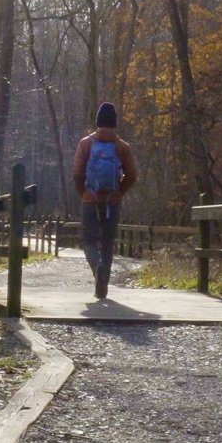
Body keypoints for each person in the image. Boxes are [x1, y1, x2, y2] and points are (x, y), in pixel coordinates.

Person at [72, 102, 137, 299]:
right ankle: (103, 287)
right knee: (107, 243)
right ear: (114, 122)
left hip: (90, 200)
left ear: (98, 121)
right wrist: (119, 193)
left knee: (89, 241)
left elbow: (76, 173)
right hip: (112, 201)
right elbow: (132, 176)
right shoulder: (122, 147)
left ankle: (97, 268)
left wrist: (83, 193)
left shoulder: (85, 143)